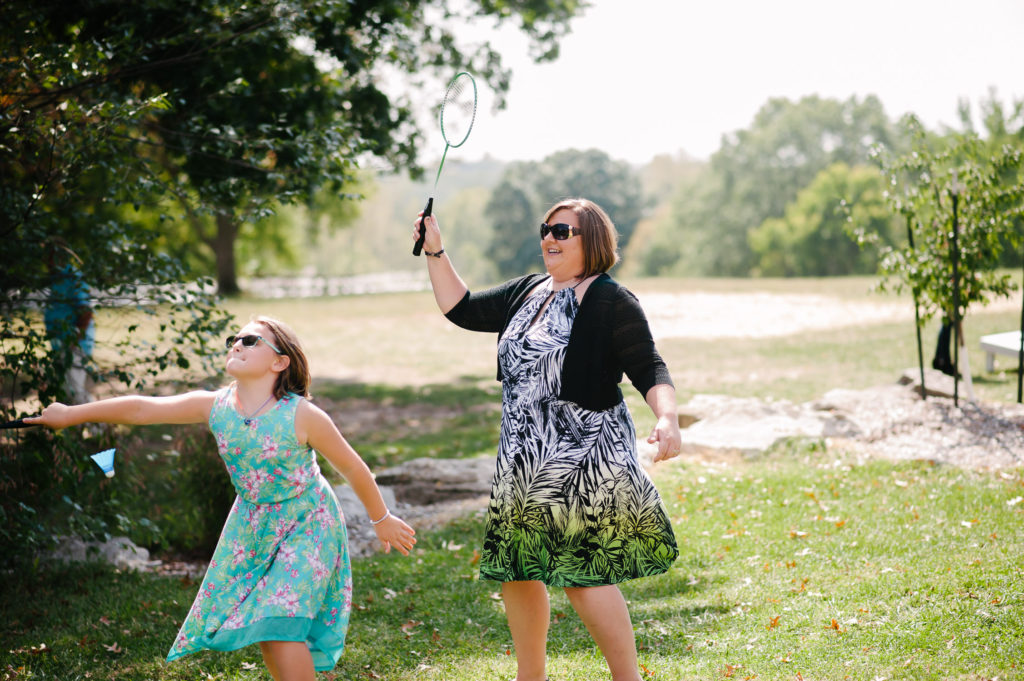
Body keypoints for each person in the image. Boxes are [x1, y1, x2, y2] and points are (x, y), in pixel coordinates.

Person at [26, 315, 416, 680]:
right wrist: (71, 414)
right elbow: (143, 409)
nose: (237, 344)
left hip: (309, 521)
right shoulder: (216, 406)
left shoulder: (302, 416)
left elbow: (352, 468)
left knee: (280, 623)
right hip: (253, 526)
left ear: (280, 362)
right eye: (234, 339)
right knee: (266, 628)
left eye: (251, 340)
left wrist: (381, 519)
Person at [412, 198, 681, 681]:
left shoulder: (611, 300)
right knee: (517, 569)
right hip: (522, 457)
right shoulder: (528, 291)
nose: (549, 239)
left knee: (584, 575)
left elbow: (649, 366)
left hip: (582, 456)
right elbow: (463, 308)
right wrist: (435, 250)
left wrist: (667, 417)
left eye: (562, 231)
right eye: (546, 230)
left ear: (591, 239)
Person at [44, 245, 96, 404]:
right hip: (60, 344)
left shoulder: (73, 277)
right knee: (65, 391)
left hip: (74, 345)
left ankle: (94, 420)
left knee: (76, 392)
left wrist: (74, 341)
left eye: (49, 256)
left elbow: (86, 312)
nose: (46, 261)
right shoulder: (55, 279)